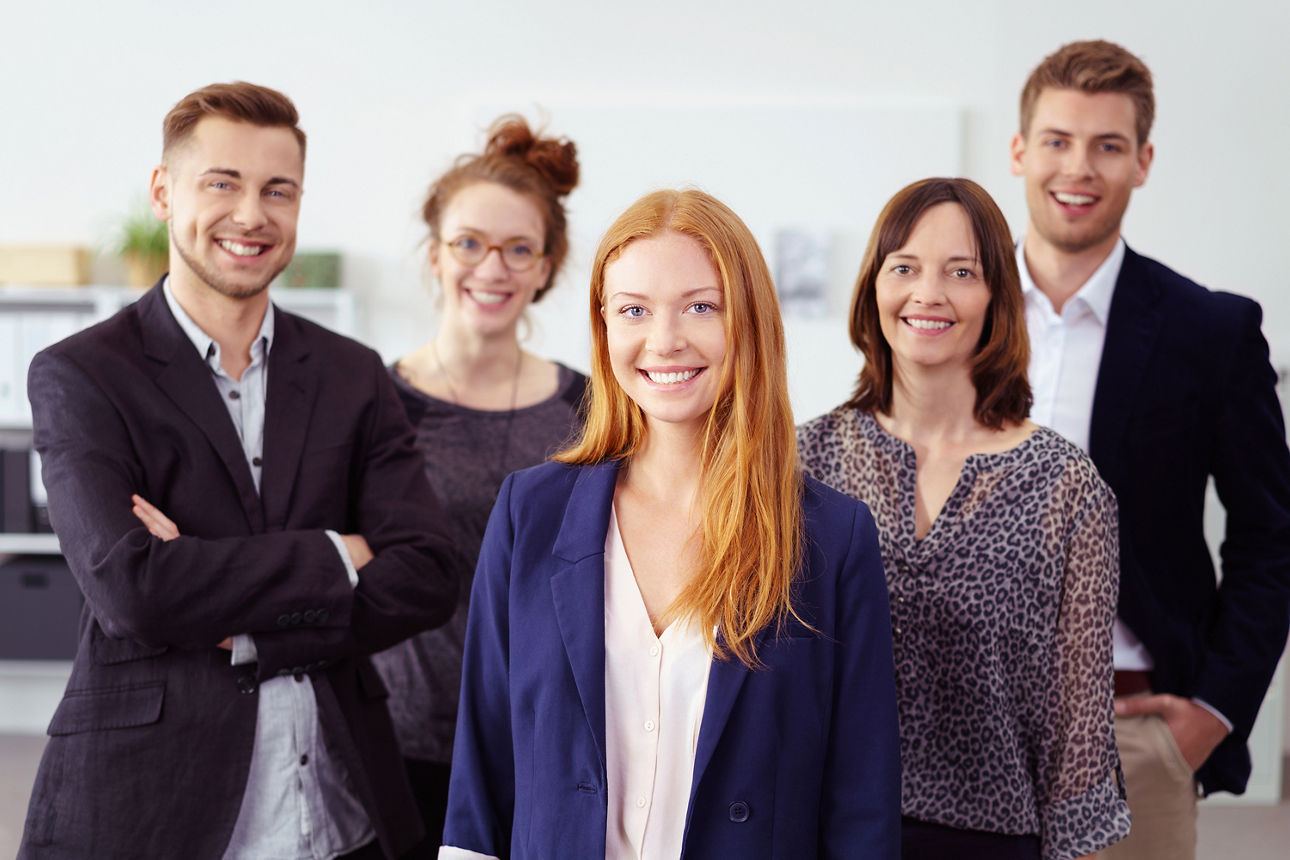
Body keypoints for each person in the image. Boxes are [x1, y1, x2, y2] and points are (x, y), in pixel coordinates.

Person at [18, 82, 463, 860]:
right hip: (157, 813)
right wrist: (337, 554)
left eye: (277, 190)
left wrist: (238, 616)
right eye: (222, 183)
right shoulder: (82, 375)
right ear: (164, 192)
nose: (252, 214)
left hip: (343, 814)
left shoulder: (352, 374)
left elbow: (427, 573)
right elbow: (133, 591)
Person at [439, 188, 900, 859]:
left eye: (701, 307)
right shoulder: (529, 513)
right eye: (634, 310)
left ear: (748, 320)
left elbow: (861, 800)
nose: (664, 340)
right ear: (604, 325)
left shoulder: (831, 537)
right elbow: (482, 770)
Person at [1009, 40, 1290, 859]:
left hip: (1131, 738)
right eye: (1058, 140)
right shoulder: (953, 313)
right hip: (948, 729)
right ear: (1020, 151)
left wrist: (1213, 712)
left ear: (1143, 161)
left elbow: (1271, 538)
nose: (1079, 167)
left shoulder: (1212, 332)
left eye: (1108, 145)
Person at [799, 177, 1130, 860]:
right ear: (873, 289)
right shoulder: (804, 462)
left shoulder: (1067, 488)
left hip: (992, 841)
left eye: (961, 272)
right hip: (824, 830)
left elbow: (1080, 740)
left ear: (996, 296)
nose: (928, 294)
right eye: (904, 268)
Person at [370, 116, 588, 855]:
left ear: (546, 267)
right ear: (435, 254)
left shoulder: (592, 412)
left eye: (518, 248)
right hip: (398, 743)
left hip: (545, 748)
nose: (492, 268)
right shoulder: (374, 403)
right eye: (469, 243)